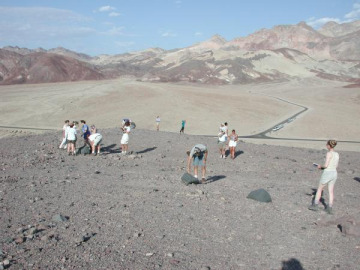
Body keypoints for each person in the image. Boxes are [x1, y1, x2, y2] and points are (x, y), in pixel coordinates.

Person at [308, 140, 340, 214]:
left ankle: (315, 205)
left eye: (327, 144)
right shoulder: (337, 154)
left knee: (320, 189)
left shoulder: (329, 153)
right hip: (334, 173)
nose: (326, 145)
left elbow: (325, 166)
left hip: (327, 173)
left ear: (329, 145)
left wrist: (320, 166)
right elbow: (336, 166)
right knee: (331, 191)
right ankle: (329, 208)